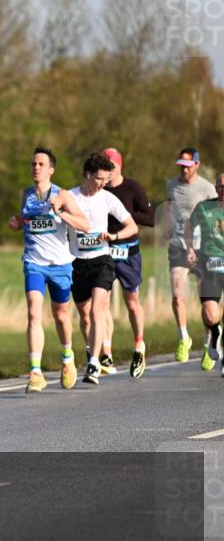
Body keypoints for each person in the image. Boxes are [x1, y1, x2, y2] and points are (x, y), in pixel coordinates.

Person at [6, 147, 90, 392]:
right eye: (33, 163)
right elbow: (23, 221)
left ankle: (67, 358)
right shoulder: (25, 195)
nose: (36, 167)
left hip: (60, 264)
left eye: (41, 164)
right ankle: (35, 371)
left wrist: (61, 213)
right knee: (33, 313)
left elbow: (84, 224)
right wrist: (15, 223)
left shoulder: (62, 195)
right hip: (34, 262)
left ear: (51, 170)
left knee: (61, 315)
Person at [69, 153, 138, 385]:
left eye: (106, 180)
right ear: (88, 175)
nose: (103, 183)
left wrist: (114, 235)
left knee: (98, 311)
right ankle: (92, 352)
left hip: (102, 260)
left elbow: (132, 226)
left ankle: (93, 364)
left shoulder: (107, 198)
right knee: (85, 316)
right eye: (99, 178)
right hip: (77, 263)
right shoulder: (70, 197)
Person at [100, 148, 156, 378]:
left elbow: (151, 219)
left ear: (119, 166)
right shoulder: (98, 190)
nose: (107, 171)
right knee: (100, 302)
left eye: (110, 165)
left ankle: (139, 345)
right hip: (104, 251)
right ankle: (105, 352)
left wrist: (126, 213)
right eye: (104, 166)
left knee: (131, 302)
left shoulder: (132, 188)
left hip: (128, 251)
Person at [165, 147, 217, 365]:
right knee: (177, 294)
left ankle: (208, 342)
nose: (184, 170)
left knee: (206, 301)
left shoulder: (207, 188)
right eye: (181, 166)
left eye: (188, 166)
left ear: (196, 164)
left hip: (204, 249)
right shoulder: (171, 186)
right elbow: (169, 208)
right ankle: (184, 337)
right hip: (179, 247)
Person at [185, 172, 224, 377]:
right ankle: (215, 333)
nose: (223, 190)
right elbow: (189, 227)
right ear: (216, 188)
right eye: (220, 187)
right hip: (211, 263)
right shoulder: (204, 207)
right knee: (210, 313)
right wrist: (190, 248)